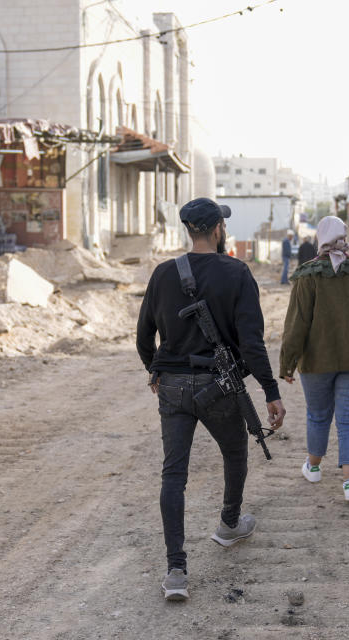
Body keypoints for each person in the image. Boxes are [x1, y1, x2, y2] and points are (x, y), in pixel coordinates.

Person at [137, 197, 286, 602]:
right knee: (236, 453)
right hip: (219, 386)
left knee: (173, 476)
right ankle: (229, 524)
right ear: (218, 228)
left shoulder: (164, 274)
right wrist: (271, 391)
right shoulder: (237, 273)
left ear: (189, 230)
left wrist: (156, 371)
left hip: (172, 386)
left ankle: (175, 571)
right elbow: (252, 344)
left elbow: (143, 336)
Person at [280, 216, 349, 502]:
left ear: (320, 238)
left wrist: (287, 363)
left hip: (317, 362)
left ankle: (313, 467)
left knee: (318, 415)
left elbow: (296, 325)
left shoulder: (308, 275)